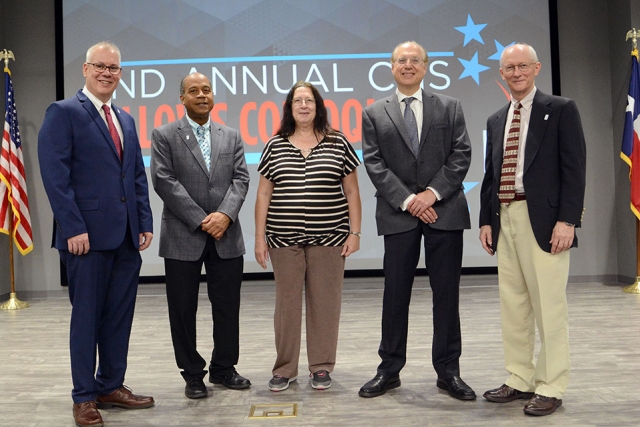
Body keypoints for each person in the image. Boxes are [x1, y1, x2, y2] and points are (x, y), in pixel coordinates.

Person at [38, 41, 155, 427]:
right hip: (84, 237)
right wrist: (72, 227)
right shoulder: (64, 112)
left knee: (119, 317)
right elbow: (56, 177)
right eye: (100, 66)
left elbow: (135, 176)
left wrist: (144, 222)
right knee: (86, 318)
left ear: (121, 74)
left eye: (114, 68)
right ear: (85, 69)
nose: (107, 73)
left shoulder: (125, 117)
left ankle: (110, 385)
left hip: (125, 237)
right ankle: (84, 397)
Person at [359, 41, 475, 401]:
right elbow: (374, 163)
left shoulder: (450, 107)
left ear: (426, 67)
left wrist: (432, 194)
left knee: (447, 296)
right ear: (391, 67)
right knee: (395, 296)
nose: (408, 65)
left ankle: (448, 372)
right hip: (399, 215)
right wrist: (410, 200)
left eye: (415, 60)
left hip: (445, 210)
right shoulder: (374, 112)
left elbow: (462, 155)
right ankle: (389, 370)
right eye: (401, 60)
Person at [479, 43, 586, 416]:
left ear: (537, 68)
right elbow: (491, 176)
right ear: (502, 73)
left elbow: (574, 169)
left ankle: (552, 384)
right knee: (514, 304)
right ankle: (519, 378)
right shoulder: (496, 119)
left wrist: (568, 220)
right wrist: (486, 221)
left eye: (523, 65)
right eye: (509, 68)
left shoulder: (560, 110)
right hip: (505, 216)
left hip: (545, 221)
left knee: (549, 307)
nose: (517, 73)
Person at [255, 81, 362, 392]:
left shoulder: (338, 143)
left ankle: (321, 367)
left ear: (318, 107)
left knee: (325, 304)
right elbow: (263, 194)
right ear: (289, 108)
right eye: (297, 101)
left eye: (309, 101)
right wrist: (260, 238)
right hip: (282, 238)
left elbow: (352, 191)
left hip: (330, 237)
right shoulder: (275, 145)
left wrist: (354, 232)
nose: (303, 105)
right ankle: (284, 368)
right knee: (286, 306)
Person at [150, 72, 251, 400]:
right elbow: (164, 180)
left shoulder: (231, 135)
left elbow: (241, 179)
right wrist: (201, 219)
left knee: (227, 306)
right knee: (182, 309)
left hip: (227, 235)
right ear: (182, 98)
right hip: (182, 235)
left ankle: (224, 368)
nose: (202, 95)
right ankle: (193, 374)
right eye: (193, 91)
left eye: (206, 90)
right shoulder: (164, 134)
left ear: (213, 95)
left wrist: (224, 215)